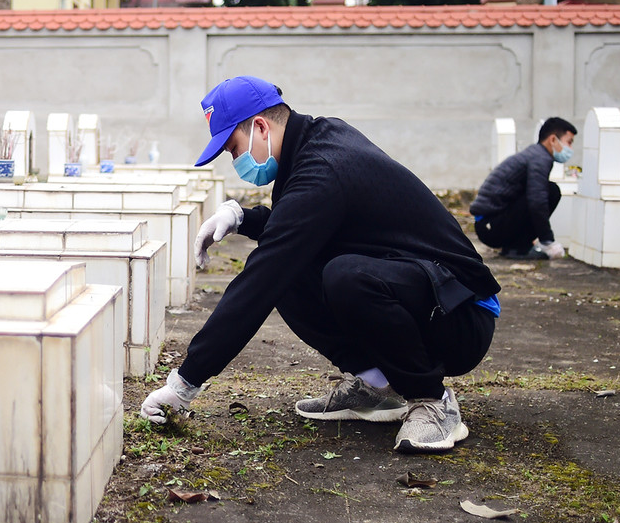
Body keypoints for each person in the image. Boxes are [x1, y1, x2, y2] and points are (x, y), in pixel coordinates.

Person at [139, 76, 501, 453]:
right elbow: (302, 225)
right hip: (423, 289)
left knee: (335, 276)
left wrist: (185, 382)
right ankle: (377, 385)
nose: (235, 161)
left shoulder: (322, 166)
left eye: (233, 149)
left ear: (259, 127)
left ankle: (431, 401)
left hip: (460, 313)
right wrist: (243, 218)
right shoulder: (315, 140)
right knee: (292, 273)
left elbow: (261, 278)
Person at [470, 118, 577, 261]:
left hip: (488, 225)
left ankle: (516, 246)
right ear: (553, 139)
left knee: (546, 190)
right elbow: (537, 202)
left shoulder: (535, 154)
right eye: (569, 142)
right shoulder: (539, 158)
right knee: (551, 191)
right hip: (490, 227)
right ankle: (518, 249)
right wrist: (548, 241)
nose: (570, 149)